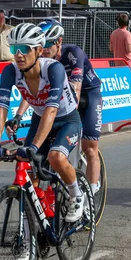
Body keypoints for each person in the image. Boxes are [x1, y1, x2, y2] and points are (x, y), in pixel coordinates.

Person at [0, 23, 84, 228]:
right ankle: (30, 229)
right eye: (14, 49)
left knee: (55, 156)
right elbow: (1, 108)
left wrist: (33, 147)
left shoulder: (54, 69)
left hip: (66, 119)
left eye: (24, 49)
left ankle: (76, 194)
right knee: (25, 171)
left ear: (39, 50)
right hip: (39, 119)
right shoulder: (10, 71)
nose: (18, 55)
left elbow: (51, 111)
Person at [37, 19, 103, 197]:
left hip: (88, 95)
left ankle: (91, 194)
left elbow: (76, 87)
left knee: (89, 148)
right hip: (63, 98)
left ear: (59, 41)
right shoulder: (41, 59)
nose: (43, 49)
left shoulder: (73, 53)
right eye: (41, 44)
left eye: (48, 44)